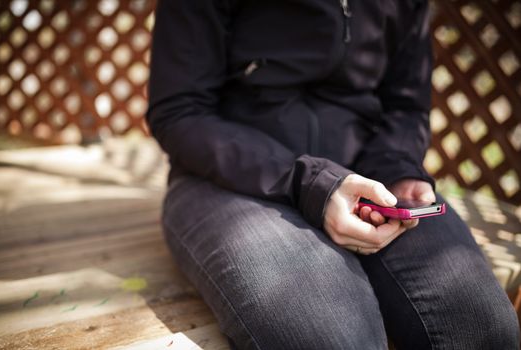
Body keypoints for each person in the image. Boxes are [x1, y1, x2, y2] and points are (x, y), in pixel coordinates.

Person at [146, 0, 520, 348]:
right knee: (331, 336)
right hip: (229, 179)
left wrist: (398, 167)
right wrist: (313, 183)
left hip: (367, 176)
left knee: (483, 329)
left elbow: (407, 104)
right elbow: (181, 111)